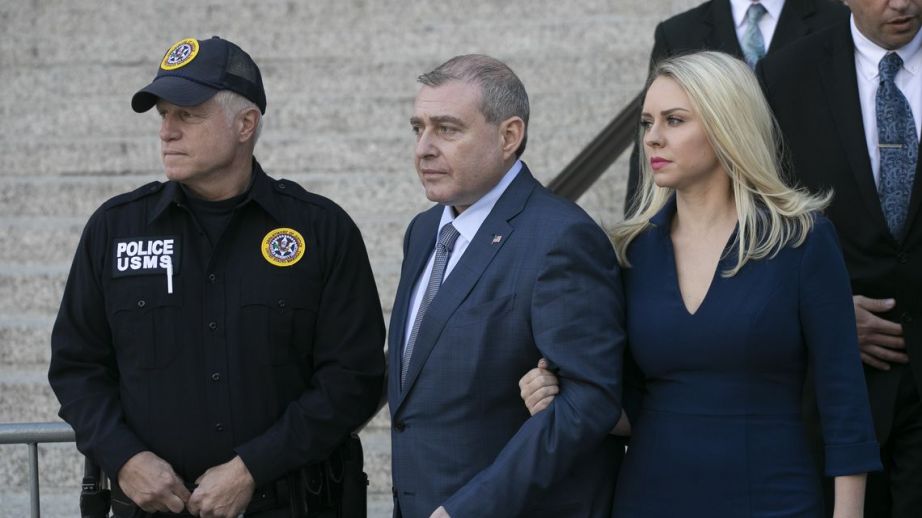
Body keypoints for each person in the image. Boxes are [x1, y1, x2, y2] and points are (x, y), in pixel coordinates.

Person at [519, 51, 880, 517]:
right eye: (647, 122)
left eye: (674, 120)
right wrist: (561, 395)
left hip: (773, 501)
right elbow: (626, 409)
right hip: (650, 499)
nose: (653, 138)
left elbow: (844, 404)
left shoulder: (802, 240)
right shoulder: (631, 253)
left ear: (726, 124)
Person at [48, 36, 385, 518]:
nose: (166, 131)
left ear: (245, 124)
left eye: (187, 115)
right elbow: (76, 366)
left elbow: (353, 377)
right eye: (163, 115)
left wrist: (252, 468)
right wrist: (124, 457)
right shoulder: (115, 229)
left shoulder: (321, 229)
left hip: (289, 505)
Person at [388, 54, 626, 518]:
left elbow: (588, 402)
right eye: (418, 128)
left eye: (447, 129)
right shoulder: (423, 231)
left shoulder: (561, 237)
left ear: (509, 136)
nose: (423, 148)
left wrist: (469, 509)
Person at [757, 1, 922, 514]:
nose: (903, 2)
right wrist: (823, 313)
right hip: (838, 389)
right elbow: (761, 220)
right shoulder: (786, 75)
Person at [624, 0, 848, 211]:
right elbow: (644, 161)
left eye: (674, 120)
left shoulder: (839, 21)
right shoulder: (678, 32)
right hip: (709, 224)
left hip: (812, 214)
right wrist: (638, 238)